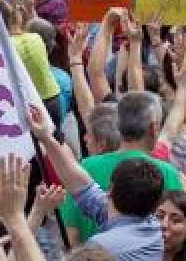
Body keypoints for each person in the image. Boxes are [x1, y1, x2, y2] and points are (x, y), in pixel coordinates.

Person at [31, 104, 165, 260]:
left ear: (110, 190)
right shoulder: (152, 226)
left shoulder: (101, 247)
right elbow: (82, 186)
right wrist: (46, 138)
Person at [58, 91, 185, 244]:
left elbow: (70, 231)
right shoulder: (167, 173)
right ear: (153, 128)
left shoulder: (85, 167)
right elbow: (176, 235)